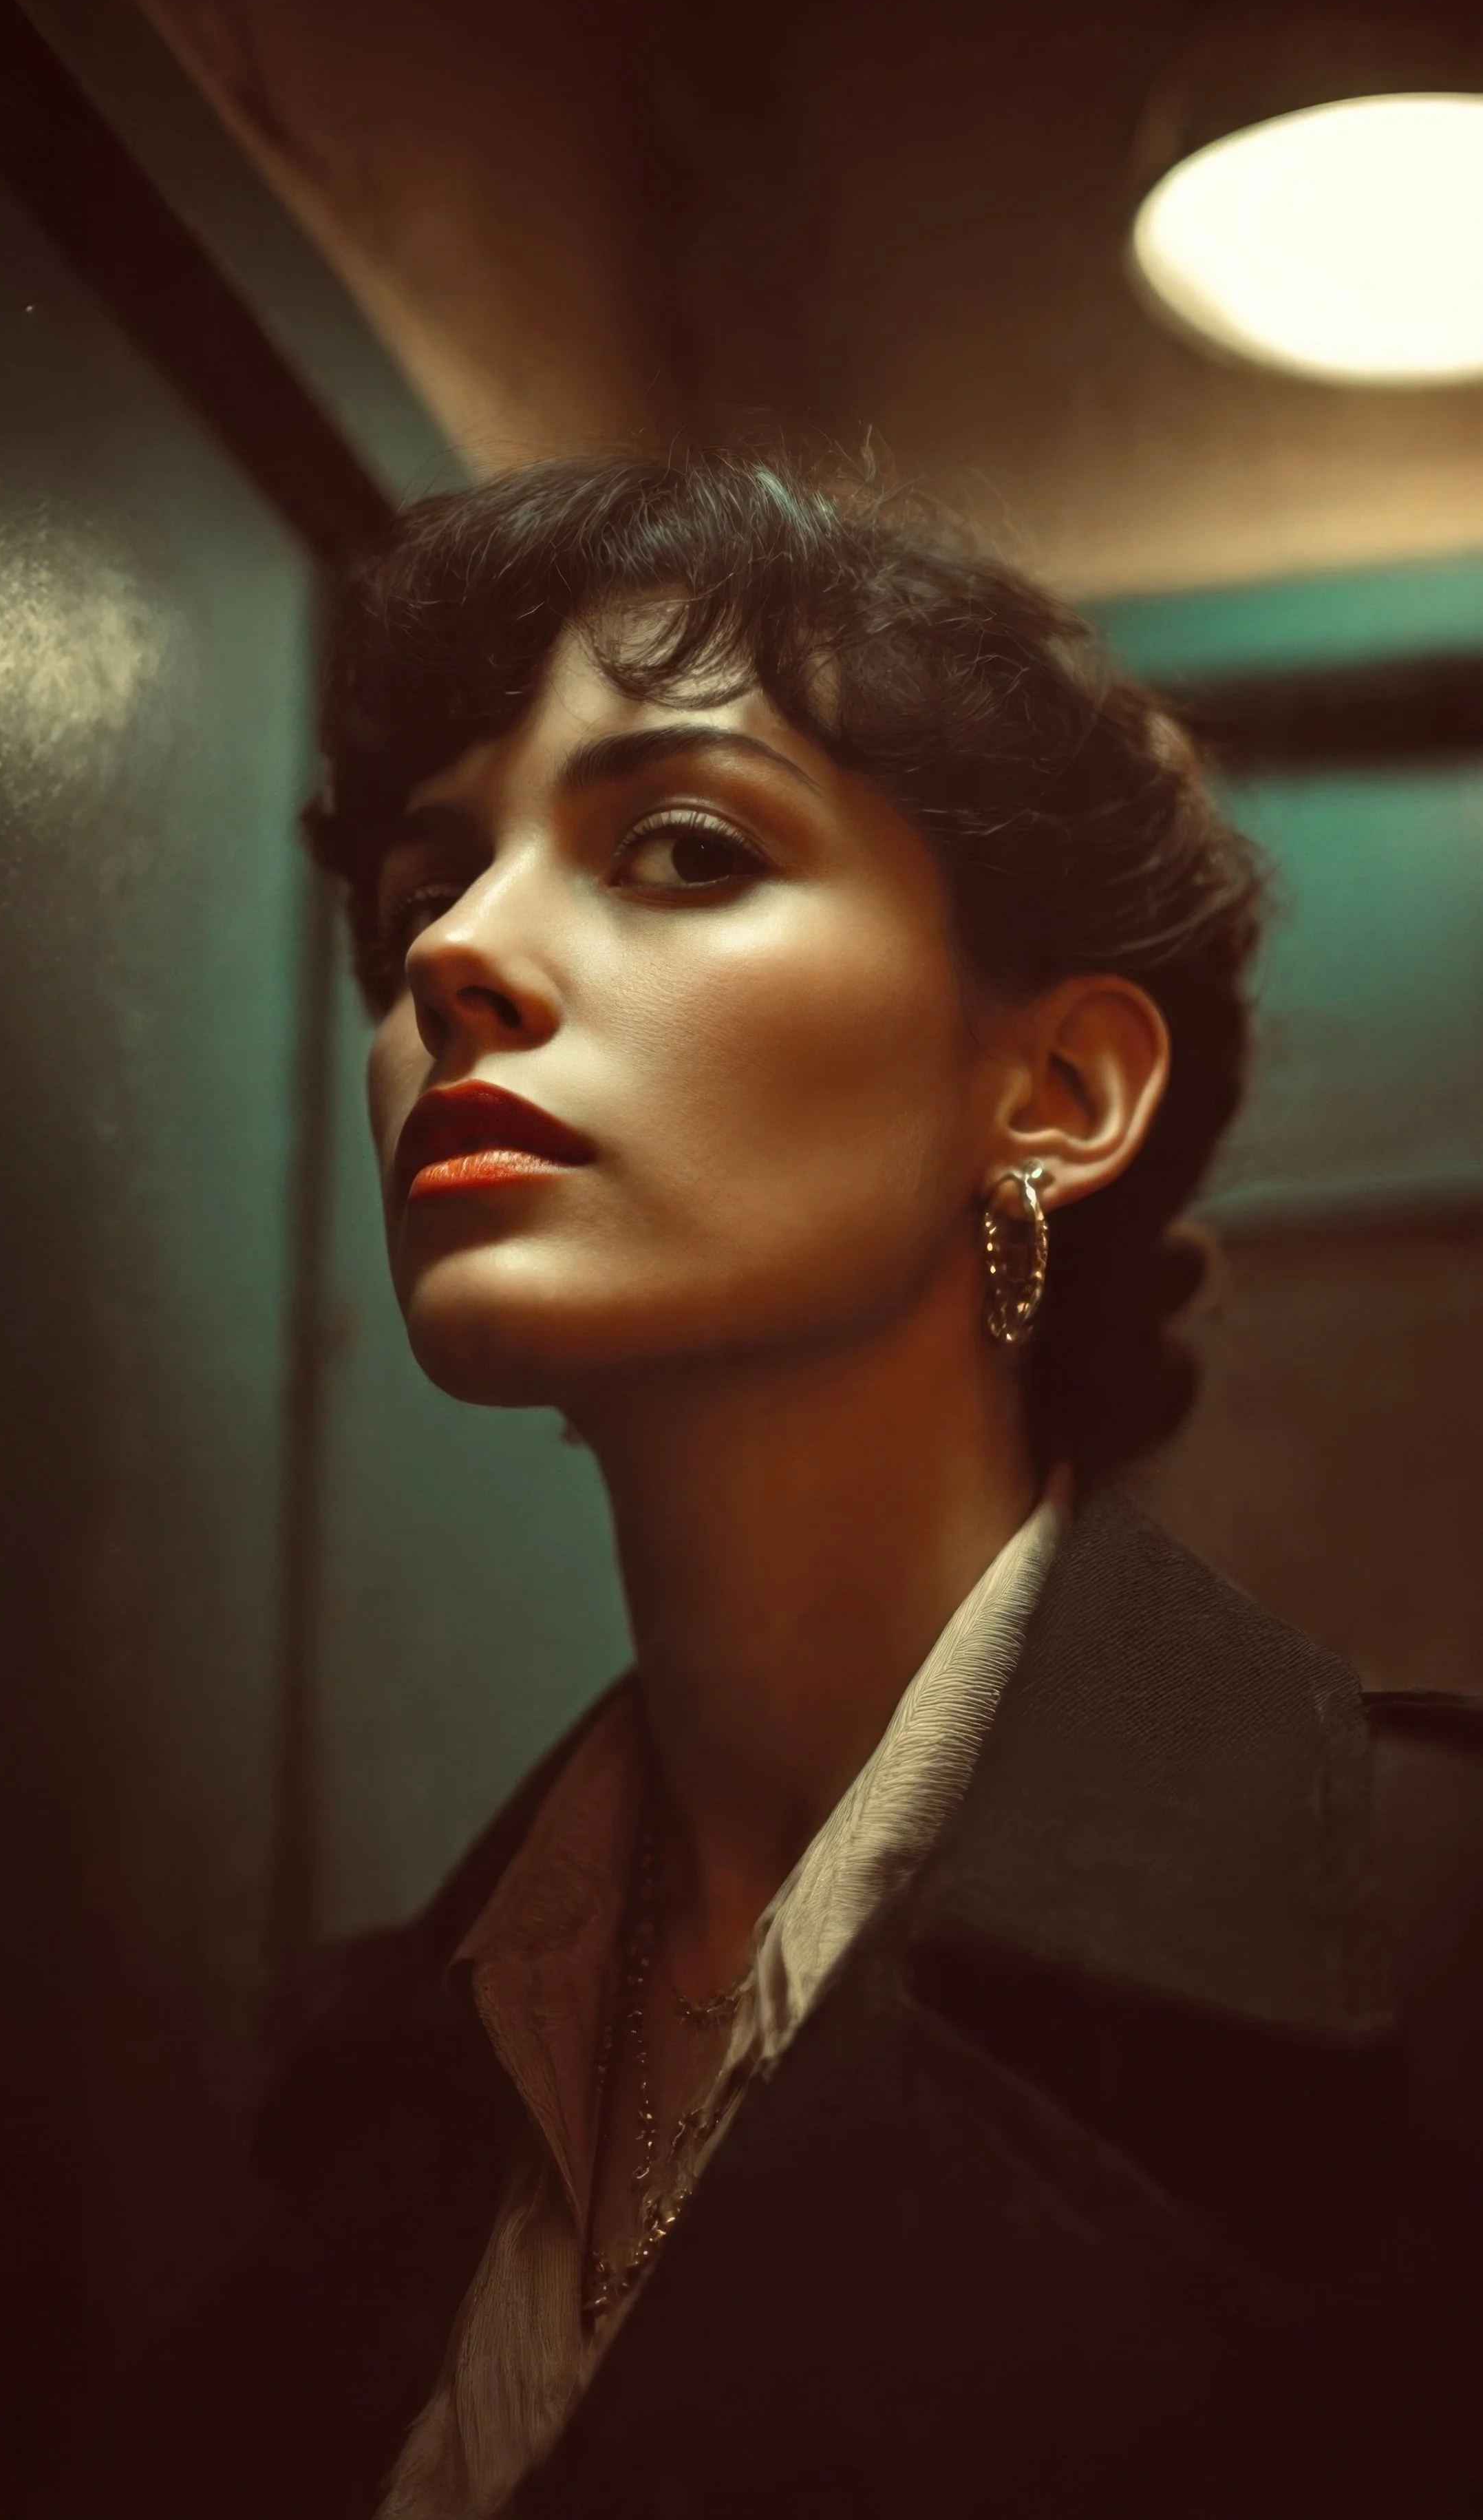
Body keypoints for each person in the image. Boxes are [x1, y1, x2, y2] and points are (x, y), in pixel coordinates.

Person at [96, 457, 1423, 2518]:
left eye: (686, 847)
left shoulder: (1425, 1958)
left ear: (1052, 1095)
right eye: (411, 894)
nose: (454, 953)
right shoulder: (360, 2092)